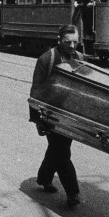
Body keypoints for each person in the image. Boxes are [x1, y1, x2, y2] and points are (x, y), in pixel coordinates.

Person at [31, 25, 83, 207]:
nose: (72, 46)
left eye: (75, 42)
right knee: (61, 152)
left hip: (70, 116)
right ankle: (73, 193)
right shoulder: (47, 59)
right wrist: (37, 119)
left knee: (57, 150)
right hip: (50, 115)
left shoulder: (79, 58)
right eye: (68, 42)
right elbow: (36, 90)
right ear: (59, 39)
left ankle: (44, 178)